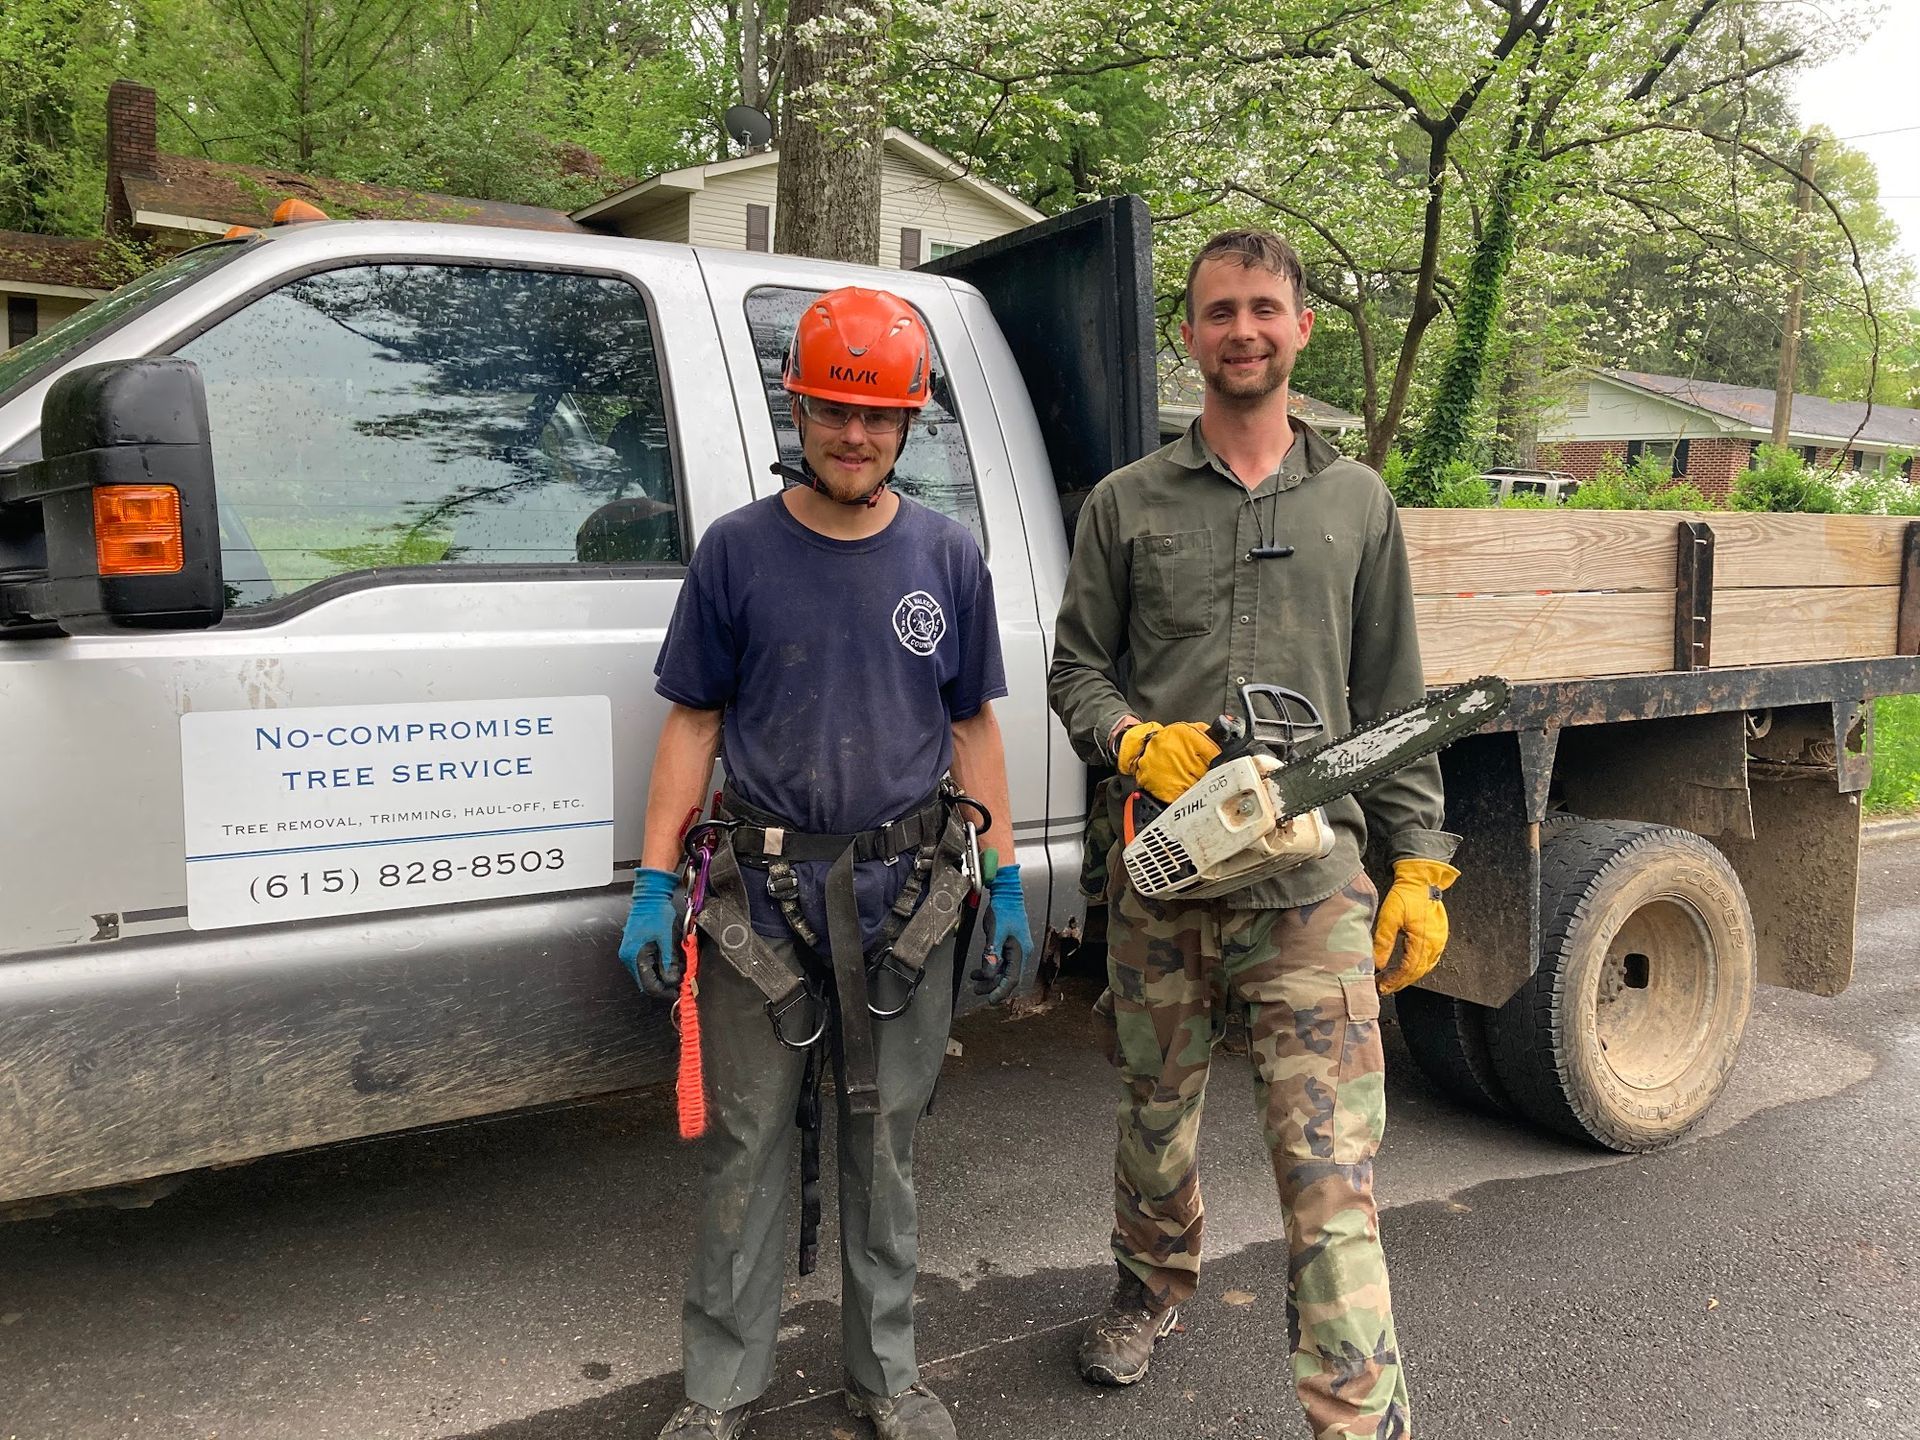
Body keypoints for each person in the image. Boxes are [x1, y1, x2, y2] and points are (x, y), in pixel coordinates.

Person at [1049, 228, 1457, 1439]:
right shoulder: (1126, 504)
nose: (1243, 331)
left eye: (1264, 309)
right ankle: (1150, 1283)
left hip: (1312, 889)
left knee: (1332, 1179)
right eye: (1220, 311)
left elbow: (1393, 701)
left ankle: (1359, 1418)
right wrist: (1129, 739)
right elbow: (1075, 671)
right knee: (1153, 1121)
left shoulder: (1357, 503)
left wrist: (1419, 863)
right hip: (1163, 878)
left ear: (1301, 328)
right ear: (1189, 333)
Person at [615, 286, 1032, 1440]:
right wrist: (653, 883)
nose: (856, 435)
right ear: (797, 412)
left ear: (908, 424)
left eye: (879, 416)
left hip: (909, 903)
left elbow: (972, 727)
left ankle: (885, 1376)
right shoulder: (738, 552)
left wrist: (1002, 881)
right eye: (834, 412)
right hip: (760, 906)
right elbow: (694, 722)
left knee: (885, 1150)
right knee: (745, 1148)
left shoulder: (946, 555)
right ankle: (718, 1391)